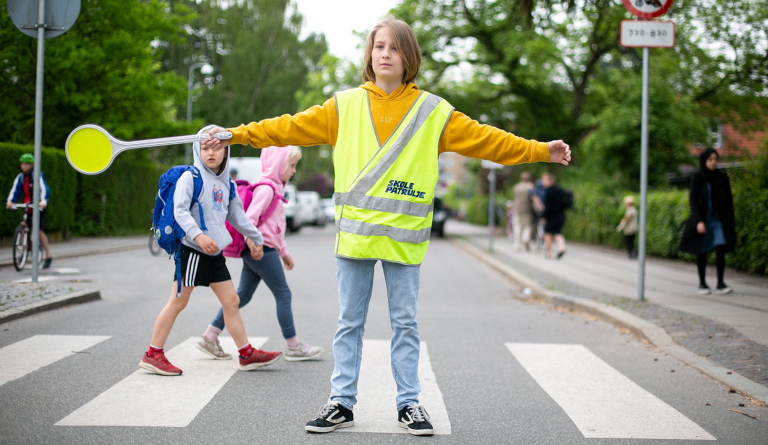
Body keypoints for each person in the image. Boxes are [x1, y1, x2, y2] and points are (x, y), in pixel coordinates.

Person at [201, 18, 571, 436]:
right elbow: (286, 127)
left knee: (405, 324)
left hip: (403, 242)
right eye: (378, 47)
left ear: (408, 57)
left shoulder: (434, 112)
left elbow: (489, 140)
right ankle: (340, 402)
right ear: (369, 55)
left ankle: (409, 403)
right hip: (355, 238)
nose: (384, 54)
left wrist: (540, 150)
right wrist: (235, 134)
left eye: (394, 48)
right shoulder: (343, 106)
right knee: (349, 323)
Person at [139, 126, 281, 376]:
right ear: (197, 149)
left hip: (215, 254)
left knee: (232, 301)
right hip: (193, 251)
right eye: (204, 148)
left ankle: (246, 354)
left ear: (226, 151)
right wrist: (199, 235)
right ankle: (153, 354)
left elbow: (238, 216)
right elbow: (181, 210)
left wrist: (255, 238)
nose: (210, 153)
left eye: (216, 148)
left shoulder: (228, 184)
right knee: (178, 302)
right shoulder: (190, 177)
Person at [196, 145, 324, 362]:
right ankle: (293, 345)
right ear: (279, 165)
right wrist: (255, 243)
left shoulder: (275, 188)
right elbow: (251, 219)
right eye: (291, 166)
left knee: (240, 297)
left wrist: (284, 252)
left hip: (262, 248)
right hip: (261, 249)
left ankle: (210, 335)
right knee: (283, 294)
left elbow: (275, 227)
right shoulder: (267, 188)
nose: (293, 171)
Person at [679, 148, 735, 295]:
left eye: (715, 159)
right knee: (701, 251)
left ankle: (720, 283)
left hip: (718, 220)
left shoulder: (722, 178)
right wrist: (698, 221)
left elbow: (728, 201)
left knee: (721, 247)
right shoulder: (698, 177)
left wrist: (729, 221)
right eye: (710, 159)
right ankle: (702, 283)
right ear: (704, 161)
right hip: (703, 220)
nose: (713, 162)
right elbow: (693, 201)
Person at [6, 153, 53, 268]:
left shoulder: (37, 176)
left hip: (38, 206)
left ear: (31, 165)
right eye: (22, 164)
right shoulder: (21, 177)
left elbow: (44, 189)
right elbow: (15, 190)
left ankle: (48, 255)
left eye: (27, 164)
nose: (24, 166)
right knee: (24, 227)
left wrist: (43, 201)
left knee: (38, 231)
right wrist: (10, 201)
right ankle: (24, 251)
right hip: (27, 206)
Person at [511, 172, 543, 252]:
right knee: (527, 226)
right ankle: (525, 238)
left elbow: (514, 197)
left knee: (517, 227)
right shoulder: (530, 187)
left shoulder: (516, 186)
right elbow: (534, 198)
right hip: (527, 209)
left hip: (517, 209)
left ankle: (516, 245)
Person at [540, 172, 567, 259]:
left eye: (544, 180)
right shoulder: (559, 189)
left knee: (547, 233)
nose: (542, 182)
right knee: (557, 232)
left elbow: (547, 206)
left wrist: (543, 216)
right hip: (561, 215)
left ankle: (549, 252)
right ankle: (562, 247)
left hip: (551, 216)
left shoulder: (548, 191)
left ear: (550, 181)